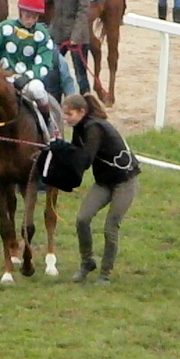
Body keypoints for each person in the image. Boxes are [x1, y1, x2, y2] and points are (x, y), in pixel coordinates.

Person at [64, 93, 140, 286]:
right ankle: (87, 262)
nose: (65, 118)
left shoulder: (94, 128)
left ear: (82, 112)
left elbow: (85, 159)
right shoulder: (79, 128)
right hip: (104, 182)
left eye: (69, 114)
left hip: (125, 182)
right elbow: (74, 154)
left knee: (110, 227)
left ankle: (105, 274)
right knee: (82, 219)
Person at [0, 0, 62, 137]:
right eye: (28, 15)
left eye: (34, 17)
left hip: (26, 81)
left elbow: (44, 63)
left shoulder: (42, 34)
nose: (31, 20)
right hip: (3, 77)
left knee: (38, 89)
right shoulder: (5, 28)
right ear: (21, 12)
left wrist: (27, 76)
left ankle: (48, 124)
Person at [45, 0, 93, 96]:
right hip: (57, 33)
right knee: (53, 71)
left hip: (76, 37)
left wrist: (76, 36)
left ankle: (87, 102)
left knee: (81, 74)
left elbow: (83, 10)